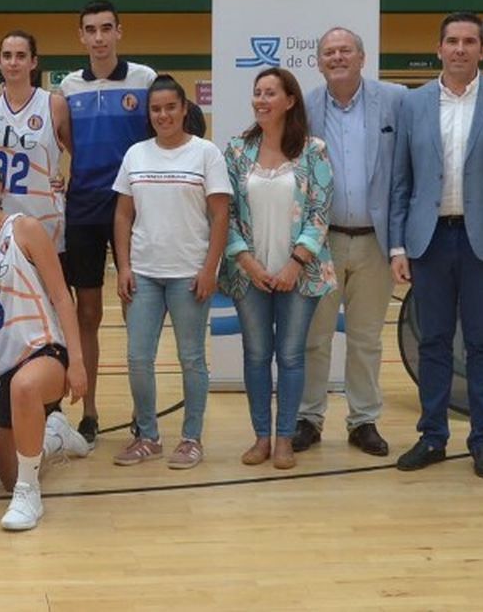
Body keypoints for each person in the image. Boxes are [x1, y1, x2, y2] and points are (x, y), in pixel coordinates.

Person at [389, 12, 483, 479]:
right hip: (428, 240)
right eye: (451, 41)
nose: (459, 49)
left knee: (482, 344)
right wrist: (397, 245)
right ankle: (433, 436)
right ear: (438, 49)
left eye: (469, 41)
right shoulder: (411, 104)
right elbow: (401, 181)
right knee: (431, 341)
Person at [110, 75, 232, 470]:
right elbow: (124, 214)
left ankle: (191, 439)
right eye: (156, 109)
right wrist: (123, 266)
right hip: (143, 274)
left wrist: (210, 268)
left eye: (170, 107)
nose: (163, 115)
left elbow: (220, 214)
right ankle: (148, 436)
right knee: (137, 358)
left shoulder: (206, 154)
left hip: (189, 275)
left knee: (192, 359)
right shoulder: (136, 154)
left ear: (184, 109)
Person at [0, 156, 88, 531]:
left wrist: (76, 361)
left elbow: (63, 297)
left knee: (25, 386)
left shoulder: (25, 229)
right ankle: (55, 435)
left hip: (42, 349)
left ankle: (29, 495)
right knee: (7, 472)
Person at [296, 27, 407, 457]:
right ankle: (309, 417)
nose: (337, 57)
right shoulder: (304, 106)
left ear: (362, 57)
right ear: (320, 62)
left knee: (365, 338)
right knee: (315, 338)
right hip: (322, 243)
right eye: (329, 52)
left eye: (345, 51)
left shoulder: (396, 100)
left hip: (376, 243)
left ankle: (364, 420)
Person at [219, 68, 336, 470]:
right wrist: (247, 261)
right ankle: (261, 438)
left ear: (289, 100)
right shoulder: (236, 151)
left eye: (271, 93)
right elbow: (226, 213)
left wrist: (295, 263)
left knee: (290, 356)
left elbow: (320, 212)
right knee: (255, 355)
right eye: (257, 93)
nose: (262, 100)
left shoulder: (314, 150)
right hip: (248, 273)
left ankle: (285, 438)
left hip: (298, 274)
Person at [57, 0, 158, 444]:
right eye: (90, 30)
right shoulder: (68, 86)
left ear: (120, 31)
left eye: (105, 29)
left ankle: (143, 412)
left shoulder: (145, 79)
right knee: (89, 312)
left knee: (138, 311)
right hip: (81, 209)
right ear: (81, 36)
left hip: (133, 210)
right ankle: (91, 411)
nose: (98, 37)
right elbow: (63, 141)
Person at [0, 30, 71, 252]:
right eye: (7, 56)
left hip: (43, 216)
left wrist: (66, 180)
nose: (13, 62)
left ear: (33, 62)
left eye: (21, 56)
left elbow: (76, 151)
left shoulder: (54, 104)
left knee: (46, 286)